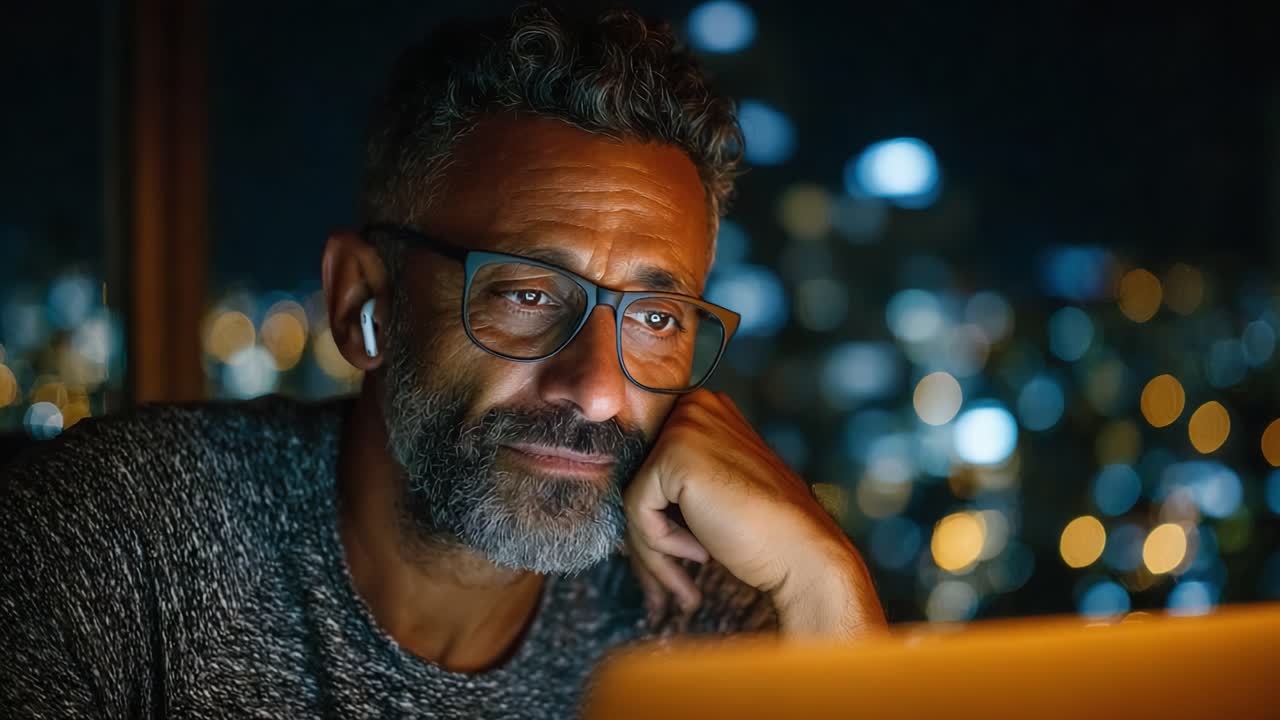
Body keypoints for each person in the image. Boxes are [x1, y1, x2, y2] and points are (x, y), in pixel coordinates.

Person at [0, 2, 884, 716]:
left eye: (655, 317)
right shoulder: (111, 545)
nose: (601, 392)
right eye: (530, 295)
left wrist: (824, 580)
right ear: (361, 302)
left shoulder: (697, 611)